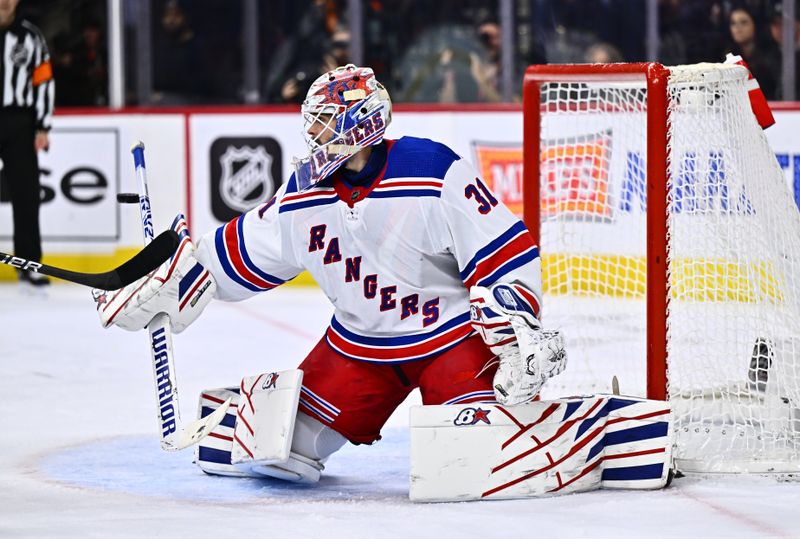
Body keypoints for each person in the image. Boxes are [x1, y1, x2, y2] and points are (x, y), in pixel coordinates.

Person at [93, 65, 566, 483]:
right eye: (313, 125)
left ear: (360, 124)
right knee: (279, 451)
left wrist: (518, 322)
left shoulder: (432, 170)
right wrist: (174, 276)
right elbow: (241, 252)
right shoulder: (302, 194)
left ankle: (548, 427)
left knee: (470, 463)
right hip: (358, 349)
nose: (313, 136)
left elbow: (507, 254)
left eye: (323, 124)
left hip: (451, 341)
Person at [0, 0, 54, 287]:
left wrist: (42, 125)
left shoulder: (31, 37)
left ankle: (29, 263)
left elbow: (44, 81)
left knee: (26, 195)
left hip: (19, 123)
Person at [727, 5, 781, 99]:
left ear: (755, 24)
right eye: (733, 23)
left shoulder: (771, 56)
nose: (738, 28)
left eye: (744, 22)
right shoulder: (726, 57)